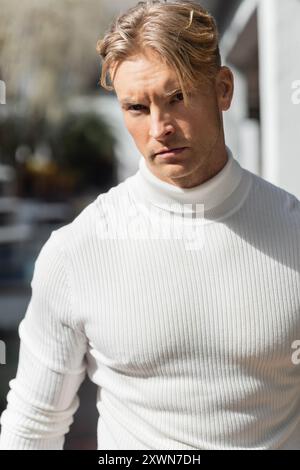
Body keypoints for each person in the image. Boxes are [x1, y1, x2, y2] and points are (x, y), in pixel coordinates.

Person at [1, 0, 300, 450]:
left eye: (176, 97)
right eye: (137, 108)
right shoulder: (77, 251)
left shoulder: (292, 233)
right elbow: (33, 425)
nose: (159, 126)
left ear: (222, 89)